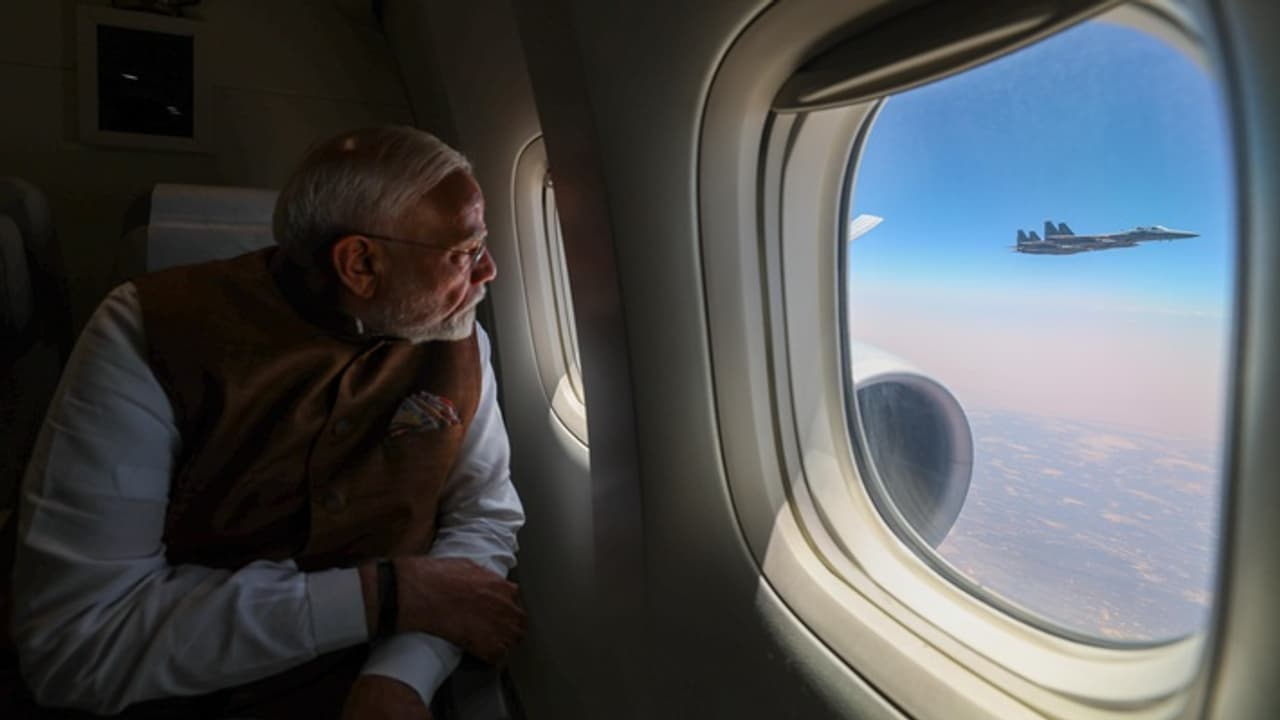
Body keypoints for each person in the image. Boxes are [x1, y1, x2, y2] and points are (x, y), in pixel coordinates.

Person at [4, 126, 526, 719]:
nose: (488, 271)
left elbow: (482, 515)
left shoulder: (457, 339)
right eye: (462, 253)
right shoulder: (149, 333)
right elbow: (77, 645)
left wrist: (403, 673)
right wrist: (382, 598)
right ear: (360, 263)